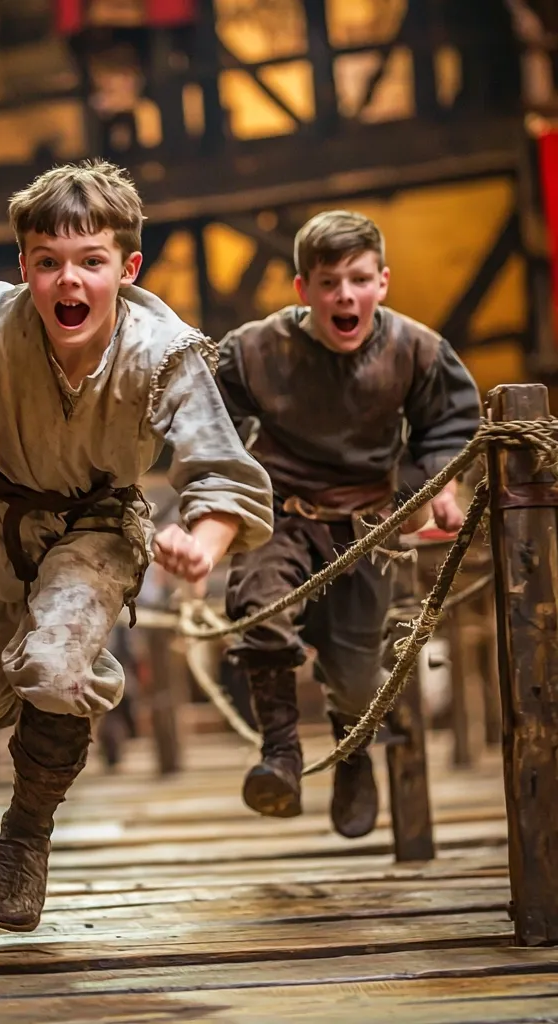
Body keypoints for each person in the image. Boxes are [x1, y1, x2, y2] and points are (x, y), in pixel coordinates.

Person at [0, 160, 273, 932]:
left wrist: (204, 541)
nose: (68, 282)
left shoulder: (164, 352)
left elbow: (223, 470)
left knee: (55, 664)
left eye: (91, 262)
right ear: (24, 267)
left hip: (95, 528)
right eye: (48, 263)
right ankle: (11, 700)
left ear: (127, 267)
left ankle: (23, 841)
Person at [215, 209, 481, 838]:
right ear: (304, 289)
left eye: (359, 280)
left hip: (366, 527)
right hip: (281, 512)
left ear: (381, 283)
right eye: (329, 282)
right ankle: (279, 754)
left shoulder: (415, 349)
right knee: (259, 608)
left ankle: (353, 752)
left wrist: (442, 484)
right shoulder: (256, 349)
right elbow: (208, 418)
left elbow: (448, 422)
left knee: (359, 675)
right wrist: (216, 499)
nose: (345, 296)